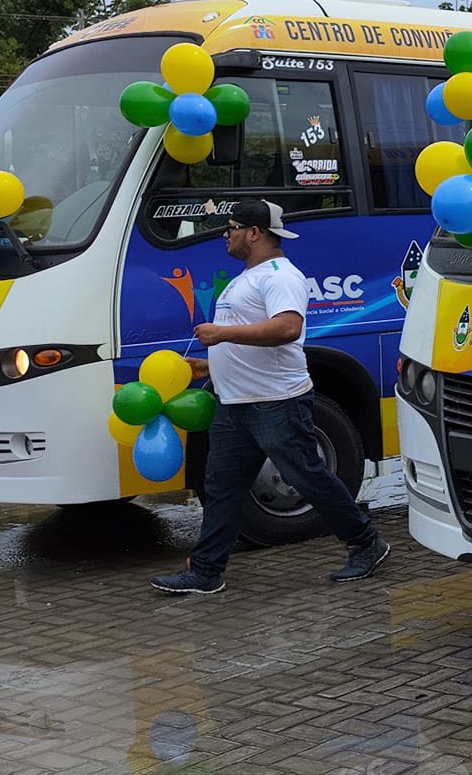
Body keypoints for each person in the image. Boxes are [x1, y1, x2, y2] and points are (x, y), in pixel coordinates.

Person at [150, 200, 389, 594]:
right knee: (221, 486)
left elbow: (286, 328)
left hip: (275, 401)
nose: (225, 235)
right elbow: (251, 335)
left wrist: (222, 335)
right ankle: (206, 571)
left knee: (306, 478)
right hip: (235, 402)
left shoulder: (279, 276)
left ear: (254, 232)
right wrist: (211, 365)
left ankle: (367, 543)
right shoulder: (247, 278)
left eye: (231, 227)